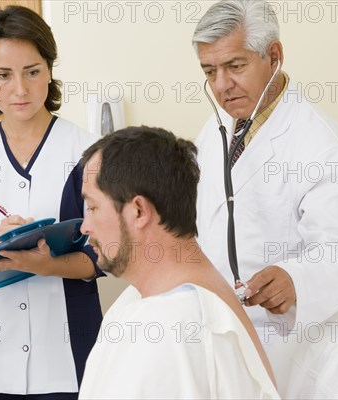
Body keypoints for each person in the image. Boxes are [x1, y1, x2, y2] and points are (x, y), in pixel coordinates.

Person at [0, 6, 102, 398]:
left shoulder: (89, 152)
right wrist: (2, 249)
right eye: (2, 75)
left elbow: (105, 255)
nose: (20, 89)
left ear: (49, 70)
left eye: (32, 71)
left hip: (71, 359)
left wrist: (47, 265)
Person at [192, 0, 338, 340]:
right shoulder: (214, 131)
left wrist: (295, 278)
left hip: (288, 338)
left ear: (273, 56)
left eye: (235, 66)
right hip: (222, 328)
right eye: (209, 71)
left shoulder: (323, 145)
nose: (221, 85)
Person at [77, 126, 280, 399]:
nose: (84, 227)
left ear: (138, 211)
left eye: (92, 207)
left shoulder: (167, 327)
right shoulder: (188, 296)